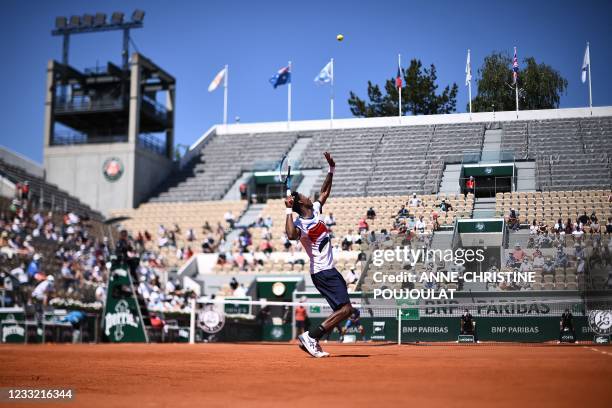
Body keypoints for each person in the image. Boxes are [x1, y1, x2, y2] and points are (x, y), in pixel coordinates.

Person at [285, 152, 354, 358]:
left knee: (343, 310)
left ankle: (312, 338)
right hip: (322, 271)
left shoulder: (315, 210)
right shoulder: (299, 224)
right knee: (346, 310)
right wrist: (288, 211)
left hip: (328, 270)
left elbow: (324, 192)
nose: (309, 196)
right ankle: (311, 337)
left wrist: (331, 170)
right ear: (300, 203)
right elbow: (290, 236)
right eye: (304, 196)